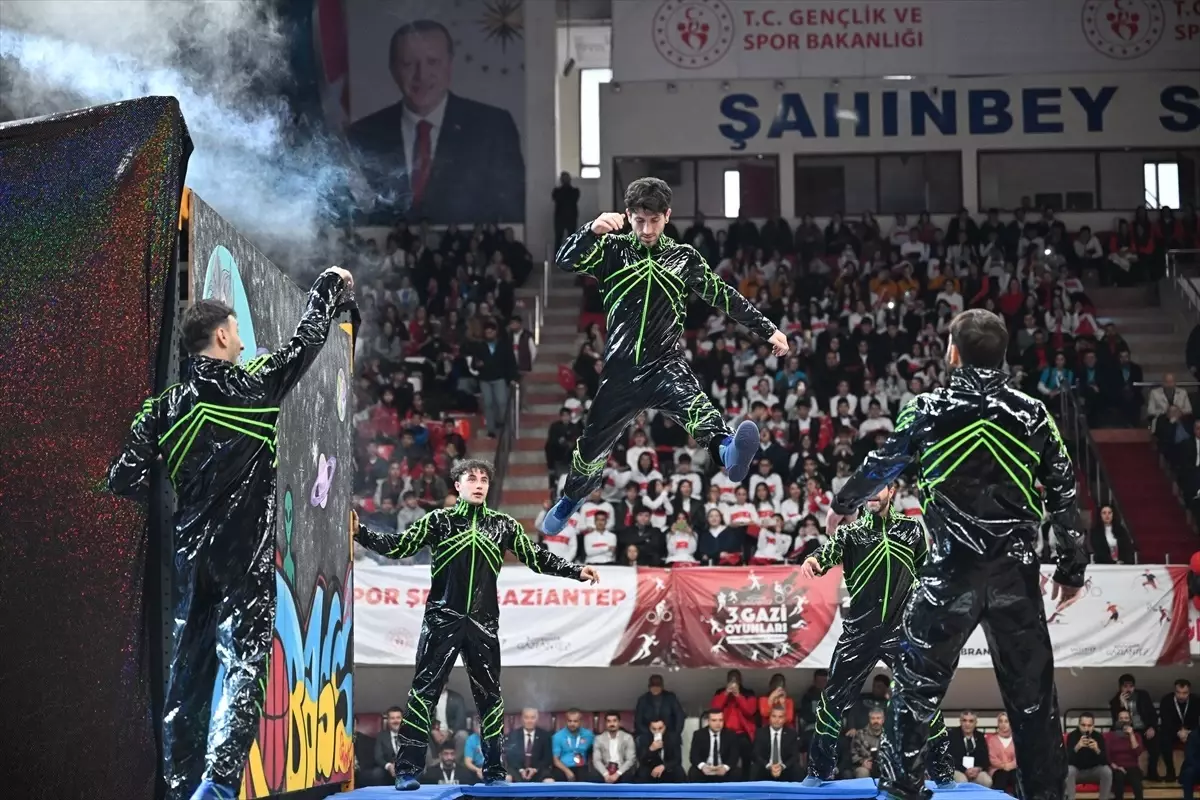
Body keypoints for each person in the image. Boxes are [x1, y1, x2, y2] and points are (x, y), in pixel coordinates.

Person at [108, 267, 354, 800]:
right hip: (246, 557)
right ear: (221, 335)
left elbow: (122, 478)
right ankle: (217, 785)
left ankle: (178, 788)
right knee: (244, 665)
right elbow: (307, 340)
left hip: (190, 557)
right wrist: (330, 286)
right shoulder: (256, 384)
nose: (242, 336)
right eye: (237, 327)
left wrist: (174, 466)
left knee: (187, 677)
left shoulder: (163, 409)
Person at [824, 308, 1088, 800]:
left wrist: (843, 504)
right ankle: (1046, 794)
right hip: (1015, 572)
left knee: (917, 686)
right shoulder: (1033, 413)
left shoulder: (927, 407)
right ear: (1003, 353)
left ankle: (902, 786)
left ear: (952, 351)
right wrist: (1073, 568)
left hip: (949, 570)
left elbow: (884, 463)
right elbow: (1065, 494)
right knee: (1032, 700)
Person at [542, 177, 789, 534]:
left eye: (654, 221)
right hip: (621, 371)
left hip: (665, 366)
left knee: (699, 411)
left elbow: (724, 296)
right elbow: (565, 260)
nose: (646, 229)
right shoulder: (611, 250)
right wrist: (592, 230)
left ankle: (729, 453)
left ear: (667, 215)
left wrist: (769, 329)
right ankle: (570, 498)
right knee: (592, 446)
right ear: (628, 215)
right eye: (639, 221)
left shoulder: (683, 258)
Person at [353, 459, 599, 790]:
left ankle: (495, 771)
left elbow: (537, 557)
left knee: (489, 698)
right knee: (424, 692)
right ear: (458, 486)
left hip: (483, 623)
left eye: (484, 479)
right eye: (472, 478)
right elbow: (400, 546)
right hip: (442, 619)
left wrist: (574, 570)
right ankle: (407, 770)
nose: (480, 483)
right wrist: (361, 533)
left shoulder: (503, 526)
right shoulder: (438, 521)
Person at [797, 484, 954, 787]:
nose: (870, 494)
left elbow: (927, 574)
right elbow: (828, 552)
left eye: (878, 488)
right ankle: (818, 772)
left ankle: (944, 774)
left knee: (924, 697)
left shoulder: (911, 530)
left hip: (901, 632)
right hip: (860, 631)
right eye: (866, 488)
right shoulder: (850, 533)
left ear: (892, 491)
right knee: (832, 699)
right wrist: (815, 559)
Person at [347, 19, 524, 223]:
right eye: (408, 64)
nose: (421, 75)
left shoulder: (493, 128)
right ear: (393, 70)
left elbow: (513, 216)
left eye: (433, 62)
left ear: (449, 65)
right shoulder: (362, 135)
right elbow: (356, 217)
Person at [1066, 713, 1113, 800]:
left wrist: (1097, 749)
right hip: (1078, 771)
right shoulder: (1072, 736)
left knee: (1107, 771)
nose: (1086, 728)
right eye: (1083, 725)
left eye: (1089, 725)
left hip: (1093, 771)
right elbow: (1067, 761)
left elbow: (1105, 761)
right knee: (1069, 770)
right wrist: (1077, 747)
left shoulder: (1098, 737)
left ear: (1093, 726)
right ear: (1079, 725)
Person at [636, 718, 686, 783]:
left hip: (668, 768)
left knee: (679, 771)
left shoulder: (673, 738)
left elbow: (677, 759)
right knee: (642, 772)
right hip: (651, 768)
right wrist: (651, 749)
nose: (657, 732)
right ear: (649, 728)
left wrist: (664, 766)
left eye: (660, 728)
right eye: (654, 729)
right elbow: (641, 760)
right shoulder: (644, 739)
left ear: (665, 727)